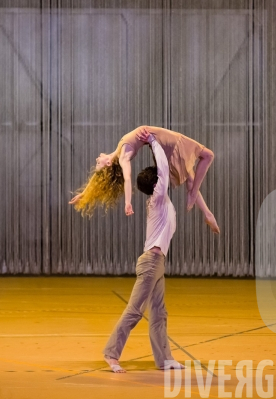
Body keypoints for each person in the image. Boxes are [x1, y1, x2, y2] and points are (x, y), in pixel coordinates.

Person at [102, 129, 185, 373]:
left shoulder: (160, 200)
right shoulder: (159, 197)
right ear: (157, 183)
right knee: (135, 311)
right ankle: (111, 354)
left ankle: (164, 359)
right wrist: (153, 141)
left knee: (159, 313)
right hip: (151, 263)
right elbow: (162, 166)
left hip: (158, 264)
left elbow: (162, 168)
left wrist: (153, 145)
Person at [69, 125, 220, 234]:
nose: (97, 158)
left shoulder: (119, 149)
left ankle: (207, 213)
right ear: (108, 163)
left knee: (191, 177)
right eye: (98, 163)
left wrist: (85, 193)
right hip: (167, 143)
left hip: (162, 141)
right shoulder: (123, 157)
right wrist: (128, 202)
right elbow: (127, 178)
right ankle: (197, 200)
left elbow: (97, 177)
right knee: (207, 157)